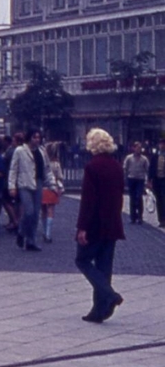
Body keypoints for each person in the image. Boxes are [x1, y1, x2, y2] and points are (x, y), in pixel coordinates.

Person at [75, 128, 125, 323]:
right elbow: (119, 195)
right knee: (104, 266)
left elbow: (88, 200)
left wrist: (82, 227)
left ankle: (109, 295)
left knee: (83, 260)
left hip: (94, 223)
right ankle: (99, 310)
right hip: (112, 222)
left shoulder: (92, 167)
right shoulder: (116, 166)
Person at [8, 129, 54, 252]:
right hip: (24, 183)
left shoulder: (42, 151)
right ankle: (21, 232)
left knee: (35, 214)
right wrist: (12, 186)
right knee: (29, 211)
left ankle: (31, 240)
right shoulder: (20, 151)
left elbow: (47, 169)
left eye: (39, 137)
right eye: (34, 137)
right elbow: (13, 169)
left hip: (38, 182)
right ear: (29, 138)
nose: (37, 140)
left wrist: (53, 185)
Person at [41, 142, 65, 242]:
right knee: (51, 210)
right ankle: (48, 234)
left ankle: (44, 230)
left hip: (43, 188)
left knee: (43, 211)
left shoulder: (43, 163)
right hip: (53, 188)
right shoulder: (56, 164)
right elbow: (60, 177)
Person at [123, 141, 149, 225]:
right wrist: (125, 177)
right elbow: (125, 168)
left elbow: (147, 169)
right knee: (132, 198)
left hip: (140, 179)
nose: (139, 149)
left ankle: (140, 216)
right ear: (133, 148)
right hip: (131, 178)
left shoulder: (144, 159)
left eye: (140, 148)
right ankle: (133, 216)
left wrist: (147, 180)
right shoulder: (129, 158)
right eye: (137, 148)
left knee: (138, 197)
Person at [147, 136, 165, 227]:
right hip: (157, 180)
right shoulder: (155, 156)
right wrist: (149, 180)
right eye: (161, 144)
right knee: (159, 200)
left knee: (164, 198)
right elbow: (151, 169)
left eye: (163, 144)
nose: (162, 146)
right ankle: (161, 219)